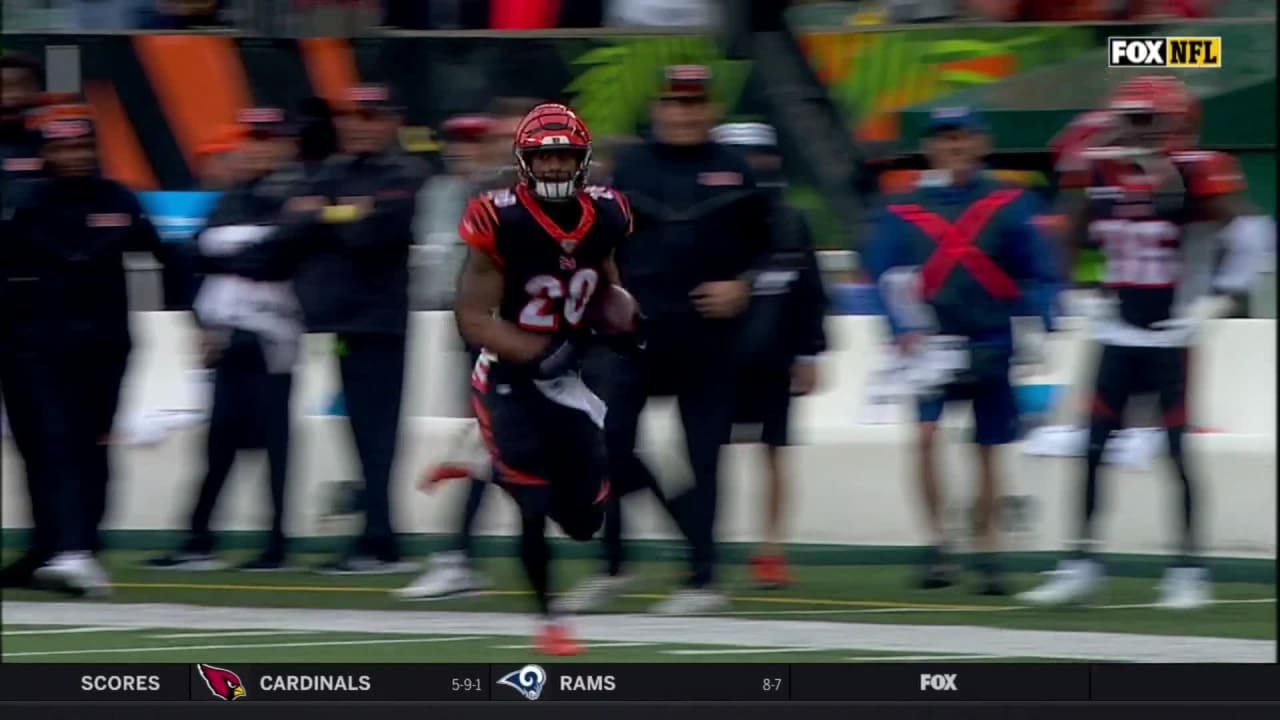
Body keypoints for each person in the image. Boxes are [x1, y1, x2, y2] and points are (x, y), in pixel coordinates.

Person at [1019, 76, 1274, 609]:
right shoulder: (1106, 172)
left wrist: (1219, 299)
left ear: (1177, 122)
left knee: (1177, 452)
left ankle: (1188, 568)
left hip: (1171, 333)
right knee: (1092, 448)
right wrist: (1076, 293)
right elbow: (1067, 232)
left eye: (1143, 118)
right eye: (1127, 118)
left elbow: (1253, 236)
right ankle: (1081, 561)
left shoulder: (1197, 173)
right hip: (1118, 329)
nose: (1130, 129)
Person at [558, 65, 773, 615]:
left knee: (704, 456)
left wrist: (741, 286)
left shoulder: (737, 170)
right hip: (633, 336)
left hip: (709, 339)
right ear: (657, 109)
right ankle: (613, 567)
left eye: (694, 103)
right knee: (607, 446)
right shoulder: (627, 169)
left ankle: (703, 579)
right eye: (674, 103)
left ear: (712, 110)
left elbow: (776, 251)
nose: (684, 113)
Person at [208, 83, 430, 573]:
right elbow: (296, 226)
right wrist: (340, 214)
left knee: (377, 434)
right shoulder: (336, 170)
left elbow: (373, 233)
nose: (358, 123)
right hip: (340, 320)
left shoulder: (406, 170)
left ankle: (380, 541)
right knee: (359, 432)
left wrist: (326, 215)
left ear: (393, 120)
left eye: (370, 115)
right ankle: (377, 535)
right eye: (351, 114)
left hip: (379, 321)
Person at [452, 102, 638, 654]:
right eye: (544, 156)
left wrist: (625, 318)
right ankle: (551, 622)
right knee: (534, 506)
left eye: (564, 156)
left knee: (585, 522)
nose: (554, 166)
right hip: (509, 375)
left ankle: (493, 468)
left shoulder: (607, 213)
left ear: (581, 162)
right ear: (524, 161)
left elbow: (606, 281)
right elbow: (473, 317)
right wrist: (535, 351)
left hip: (568, 374)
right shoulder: (498, 217)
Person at [863, 106, 1059, 596]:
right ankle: (937, 544)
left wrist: (1042, 315)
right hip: (929, 343)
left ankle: (988, 550)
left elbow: (1039, 269)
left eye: (963, 138)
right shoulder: (901, 208)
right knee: (926, 437)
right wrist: (898, 329)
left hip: (991, 337)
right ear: (931, 147)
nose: (954, 147)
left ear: (980, 143)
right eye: (944, 139)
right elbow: (882, 275)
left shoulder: (1011, 202)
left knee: (989, 448)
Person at [5, 101, 179, 596]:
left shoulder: (117, 199)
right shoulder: (23, 203)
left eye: (83, 145)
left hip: (102, 346)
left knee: (89, 448)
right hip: (32, 346)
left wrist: (186, 314)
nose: (77, 155)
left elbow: (164, 255)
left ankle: (80, 549)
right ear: (46, 153)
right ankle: (51, 550)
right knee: (45, 448)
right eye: (65, 147)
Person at [398, 98, 546, 600]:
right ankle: (460, 555)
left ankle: (459, 556)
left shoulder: (518, 196)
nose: (465, 151)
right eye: (458, 141)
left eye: (478, 140)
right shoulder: (442, 193)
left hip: (517, 333)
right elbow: (439, 271)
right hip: (474, 334)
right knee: (492, 445)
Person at [146, 108, 303, 572]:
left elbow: (277, 257)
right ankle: (199, 539)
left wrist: (228, 257)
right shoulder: (227, 199)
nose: (257, 148)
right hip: (225, 334)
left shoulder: (297, 193)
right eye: (251, 139)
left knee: (276, 443)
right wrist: (204, 323)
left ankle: (277, 543)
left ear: (285, 146)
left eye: (267, 140)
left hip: (274, 334)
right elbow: (193, 259)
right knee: (218, 442)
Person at [711, 121, 828, 589]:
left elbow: (811, 291)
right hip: (714, 358)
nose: (754, 167)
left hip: (774, 355)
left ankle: (771, 550)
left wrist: (811, 352)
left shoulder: (791, 221)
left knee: (775, 452)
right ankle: (704, 546)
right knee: (705, 454)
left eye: (761, 156)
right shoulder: (705, 221)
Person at [0, 50, 51, 588]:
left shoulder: (54, 149)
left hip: (31, 317)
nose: (10, 95)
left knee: (37, 438)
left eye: (19, 85)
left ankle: (45, 547)